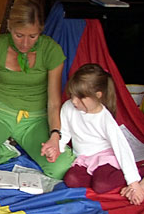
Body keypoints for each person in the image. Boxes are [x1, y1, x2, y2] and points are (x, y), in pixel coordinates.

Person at [0, 0, 75, 179]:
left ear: (40, 30)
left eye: (32, 36)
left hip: (37, 119)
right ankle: (8, 148)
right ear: (9, 27)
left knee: (60, 168)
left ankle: (18, 144)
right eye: (19, 35)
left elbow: (54, 102)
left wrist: (55, 135)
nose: (25, 44)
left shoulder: (51, 50)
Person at [45, 63, 144, 205]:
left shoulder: (104, 117)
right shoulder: (68, 107)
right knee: (71, 180)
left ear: (97, 96)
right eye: (72, 95)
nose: (74, 100)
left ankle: (139, 172)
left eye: (80, 97)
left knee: (101, 185)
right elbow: (65, 134)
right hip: (84, 159)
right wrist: (56, 149)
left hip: (104, 157)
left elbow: (121, 148)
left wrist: (133, 183)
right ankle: (100, 177)